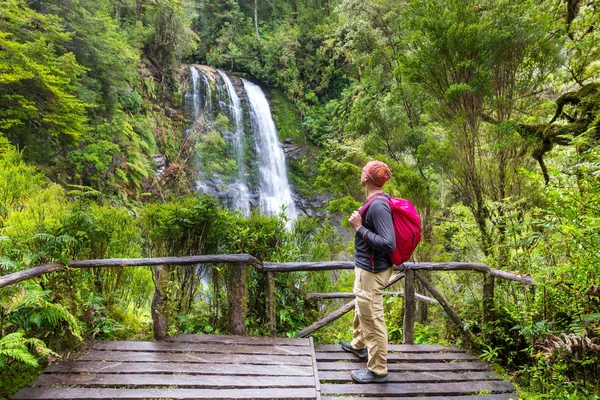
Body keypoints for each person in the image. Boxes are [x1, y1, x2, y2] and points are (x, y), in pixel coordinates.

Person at [342, 160, 396, 383]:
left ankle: (377, 370)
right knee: (362, 308)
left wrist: (359, 228)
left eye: (363, 170)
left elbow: (388, 243)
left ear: (366, 178)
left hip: (372, 272)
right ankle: (359, 345)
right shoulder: (376, 201)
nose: (361, 172)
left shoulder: (377, 206)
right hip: (367, 269)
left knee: (372, 318)